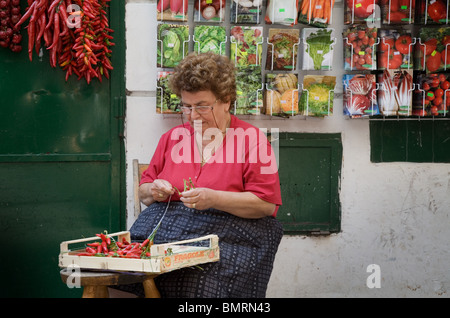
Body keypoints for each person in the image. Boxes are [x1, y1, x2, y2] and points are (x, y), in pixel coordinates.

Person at [127, 52, 283, 298]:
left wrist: (214, 199)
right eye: (186, 107)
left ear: (226, 100)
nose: (193, 116)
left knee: (199, 282)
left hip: (228, 238)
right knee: (126, 271)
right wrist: (153, 190)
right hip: (170, 237)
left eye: (202, 106)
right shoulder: (172, 138)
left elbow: (265, 204)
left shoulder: (253, 140)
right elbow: (144, 191)